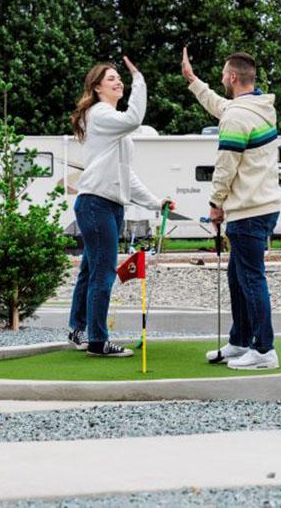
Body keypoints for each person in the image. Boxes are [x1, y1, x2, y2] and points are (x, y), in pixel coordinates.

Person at [181, 47, 281, 370]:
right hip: (261, 206)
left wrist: (215, 205)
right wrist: (193, 81)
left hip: (248, 210)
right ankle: (240, 342)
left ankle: (264, 351)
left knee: (251, 279)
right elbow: (221, 106)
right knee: (238, 277)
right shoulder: (257, 107)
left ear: (233, 77)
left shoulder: (238, 117)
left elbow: (225, 167)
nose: (222, 78)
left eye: (224, 74)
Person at [68, 57, 172, 358]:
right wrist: (139, 78)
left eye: (119, 78)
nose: (118, 82)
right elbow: (135, 118)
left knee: (90, 270)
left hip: (107, 205)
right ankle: (98, 341)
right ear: (97, 87)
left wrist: (155, 202)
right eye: (111, 78)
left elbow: (125, 174)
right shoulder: (100, 114)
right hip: (96, 205)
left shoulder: (111, 124)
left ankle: (78, 330)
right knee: (102, 273)